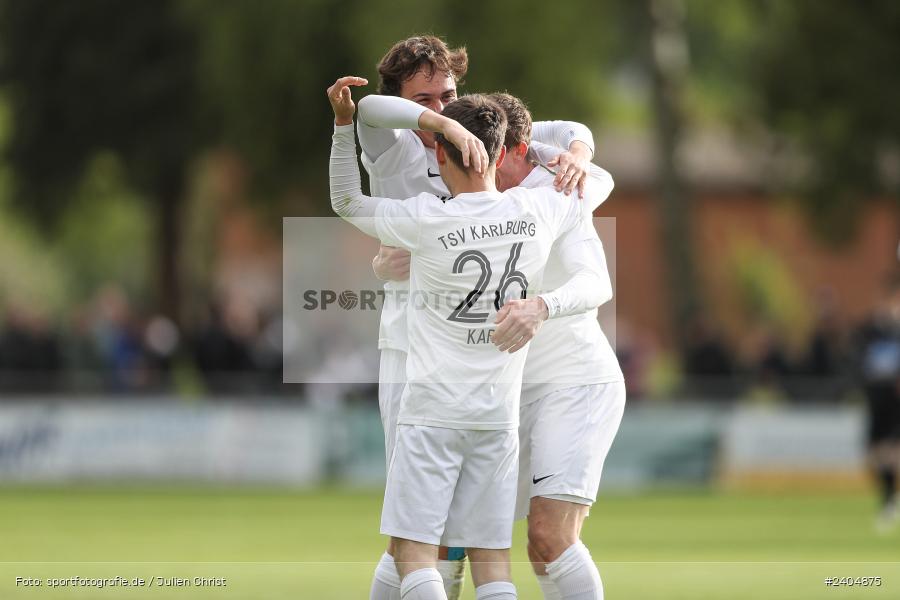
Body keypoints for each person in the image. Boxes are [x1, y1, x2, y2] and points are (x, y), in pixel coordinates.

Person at [327, 86, 610, 600]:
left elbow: (345, 199)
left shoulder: (426, 219)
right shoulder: (538, 209)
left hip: (432, 413)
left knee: (415, 554)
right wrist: (576, 157)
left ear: (439, 154)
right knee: (493, 565)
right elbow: (594, 188)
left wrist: (343, 128)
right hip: (497, 420)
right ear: (502, 154)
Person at [490, 92, 624, 600]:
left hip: (576, 382)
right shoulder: (475, 200)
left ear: (516, 150)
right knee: (521, 545)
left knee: (551, 536)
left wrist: (540, 306)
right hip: (514, 392)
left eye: (486, 154)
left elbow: (597, 284)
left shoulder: (565, 192)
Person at [855, 277, 900, 532]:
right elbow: (860, 359)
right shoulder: (872, 328)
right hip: (876, 397)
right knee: (876, 452)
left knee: (894, 451)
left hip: (896, 398)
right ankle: (889, 498)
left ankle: (889, 501)